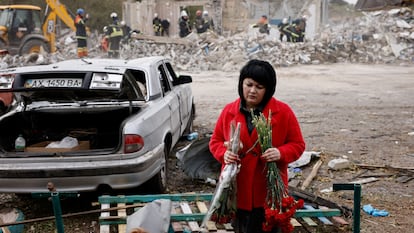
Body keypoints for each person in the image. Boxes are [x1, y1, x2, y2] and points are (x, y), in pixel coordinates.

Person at [209, 59, 305, 233]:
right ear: (241, 84)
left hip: (268, 190)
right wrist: (224, 153)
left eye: (259, 87)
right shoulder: (229, 111)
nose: (252, 91)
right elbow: (215, 141)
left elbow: (298, 145)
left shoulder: (282, 112)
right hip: (238, 188)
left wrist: (280, 152)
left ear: (268, 89)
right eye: (249, 84)